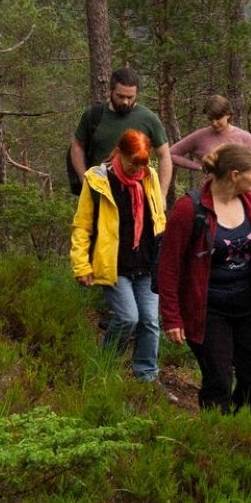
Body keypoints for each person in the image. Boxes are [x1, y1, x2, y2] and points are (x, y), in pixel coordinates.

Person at [159, 143, 251, 413]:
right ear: (235, 174)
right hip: (207, 310)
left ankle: (242, 425)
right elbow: (168, 267)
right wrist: (172, 317)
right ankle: (218, 436)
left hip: (248, 304)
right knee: (218, 381)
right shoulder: (189, 209)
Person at [70, 128, 166, 382]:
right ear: (120, 153)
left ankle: (146, 375)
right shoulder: (97, 180)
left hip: (146, 263)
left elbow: (158, 218)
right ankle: (106, 367)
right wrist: (81, 264)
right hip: (114, 265)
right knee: (127, 318)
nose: (138, 170)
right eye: (133, 163)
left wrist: (164, 257)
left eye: (142, 165)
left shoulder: (149, 176)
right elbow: (83, 225)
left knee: (149, 322)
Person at [70, 68, 172, 196]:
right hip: (99, 194)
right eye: (120, 96)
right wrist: (83, 177)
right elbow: (77, 145)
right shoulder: (93, 115)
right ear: (111, 91)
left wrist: (162, 194)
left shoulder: (149, 119)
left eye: (130, 97)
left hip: (137, 197)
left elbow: (164, 156)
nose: (125, 101)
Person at [170, 95, 251, 195]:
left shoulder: (245, 138)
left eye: (218, 118)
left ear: (228, 115)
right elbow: (171, 154)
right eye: (210, 119)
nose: (214, 123)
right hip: (210, 196)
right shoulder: (200, 136)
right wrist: (199, 167)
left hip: (240, 196)